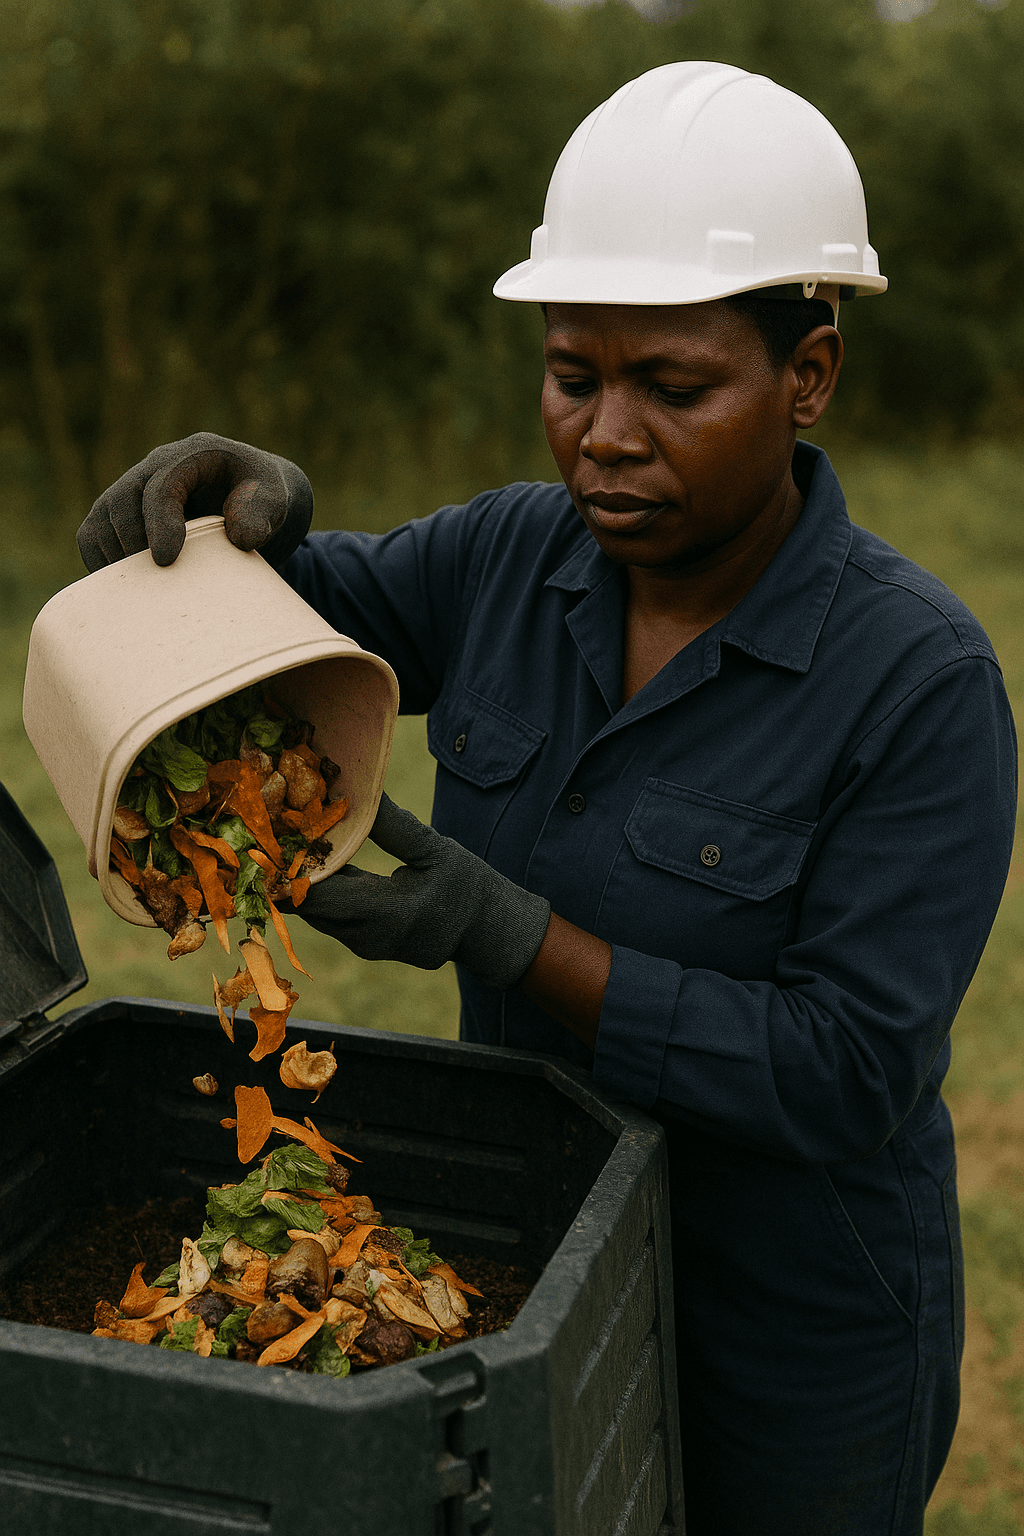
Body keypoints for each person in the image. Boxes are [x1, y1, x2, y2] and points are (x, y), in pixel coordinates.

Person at [77, 62, 1016, 1536]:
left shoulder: (916, 681)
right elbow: (281, 633)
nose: (606, 435)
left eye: (675, 388)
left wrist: (517, 938)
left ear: (811, 373)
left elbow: (843, 1070)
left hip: (790, 1325)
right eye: (574, 376)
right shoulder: (510, 559)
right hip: (537, 1276)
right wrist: (221, 521)